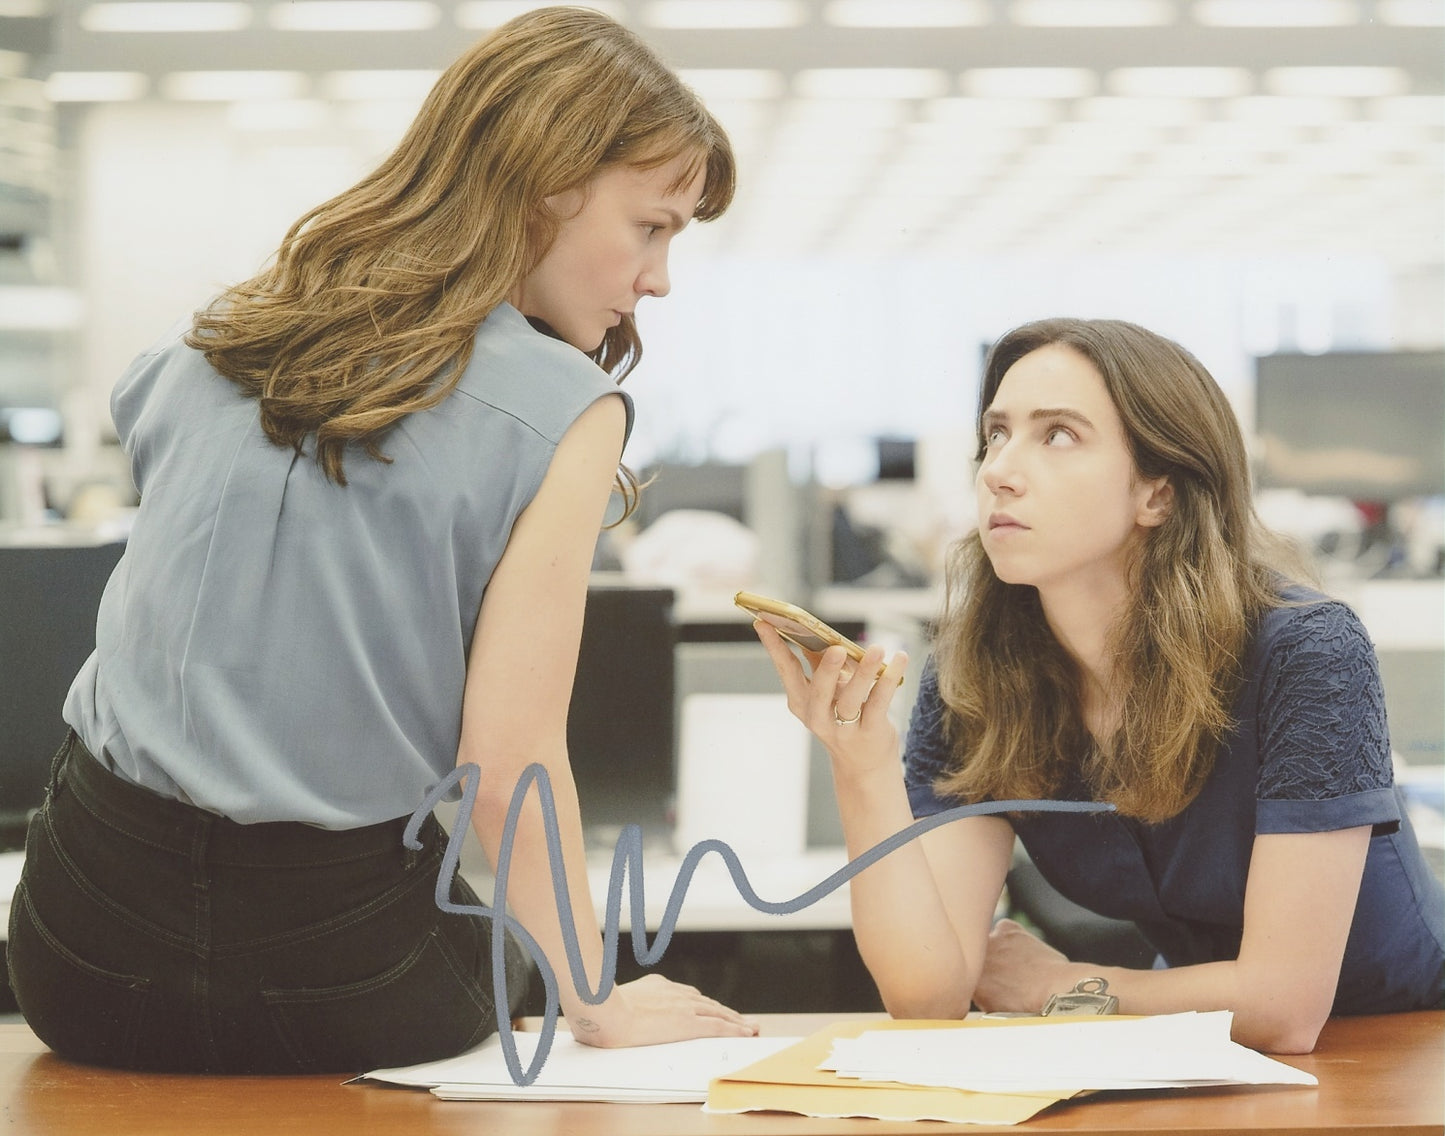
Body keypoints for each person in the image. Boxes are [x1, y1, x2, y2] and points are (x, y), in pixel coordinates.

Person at [8, 6, 757, 1074]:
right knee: (513, 965)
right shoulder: (564, 404)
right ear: (548, 181)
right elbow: (506, 765)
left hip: (79, 953)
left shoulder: (214, 337)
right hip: (344, 973)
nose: (659, 277)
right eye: (653, 225)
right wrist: (592, 996)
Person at [754, 317, 1445, 1054]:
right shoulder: (976, 671)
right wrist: (861, 768)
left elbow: (1282, 1007)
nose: (998, 470)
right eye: (996, 434)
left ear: (1157, 492)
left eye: (1056, 435)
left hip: (1394, 1041)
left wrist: (1056, 988)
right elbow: (928, 992)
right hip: (1187, 1039)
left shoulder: (1304, 650)